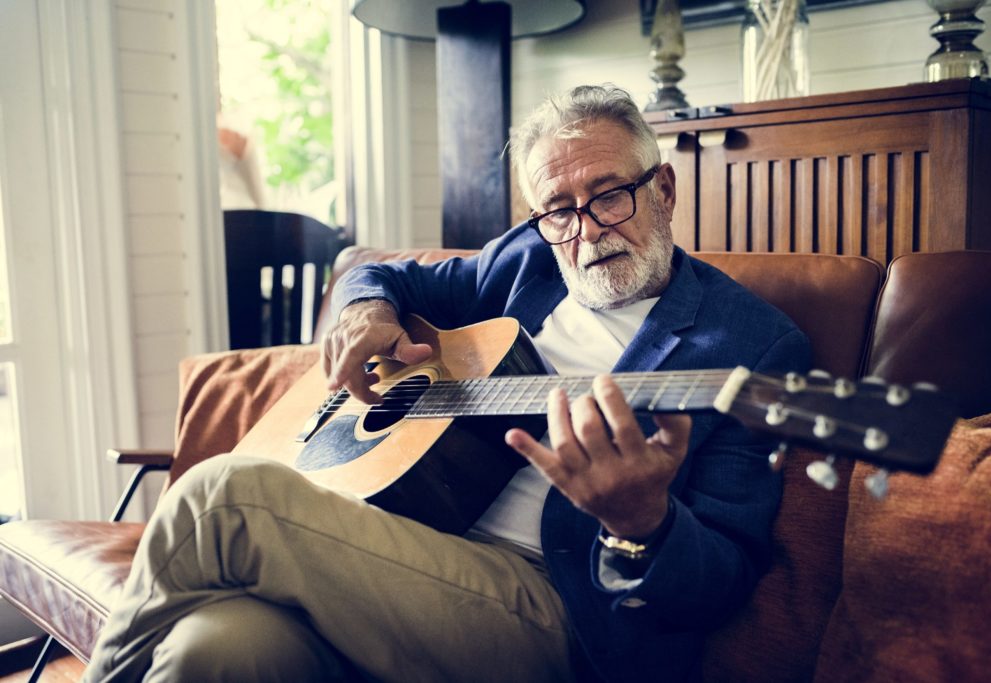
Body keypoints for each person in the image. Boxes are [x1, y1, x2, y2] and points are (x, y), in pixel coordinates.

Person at [84, 84, 810, 682]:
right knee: (212, 648)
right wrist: (366, 307)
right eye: (559, 209)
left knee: (222, 495)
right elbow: (382, 271)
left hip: (557, 607)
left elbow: (724, 575)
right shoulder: (526, 259)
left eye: (610, 193)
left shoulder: (753, 345)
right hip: (403, 542)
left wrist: (642, 524)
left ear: (664, 189)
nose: (586, 230)